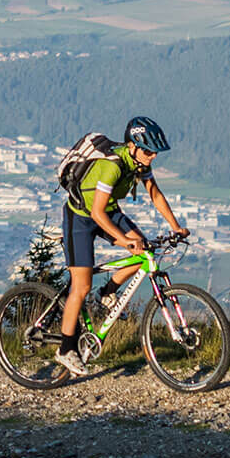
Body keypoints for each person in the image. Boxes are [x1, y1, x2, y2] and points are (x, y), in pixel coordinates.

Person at [57, 116, 188, 378]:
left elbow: (155, 194)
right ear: (133, 146)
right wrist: (125, 239)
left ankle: (107, 291)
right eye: (148, 151)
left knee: (146, 254)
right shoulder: (112, 167)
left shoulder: (138, 164)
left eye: (155, 152)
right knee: (80, 286)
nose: (152, 156)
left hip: (109, 212)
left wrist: (176, 227)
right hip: (82, 218)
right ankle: (65, 348)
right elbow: (96, 213)